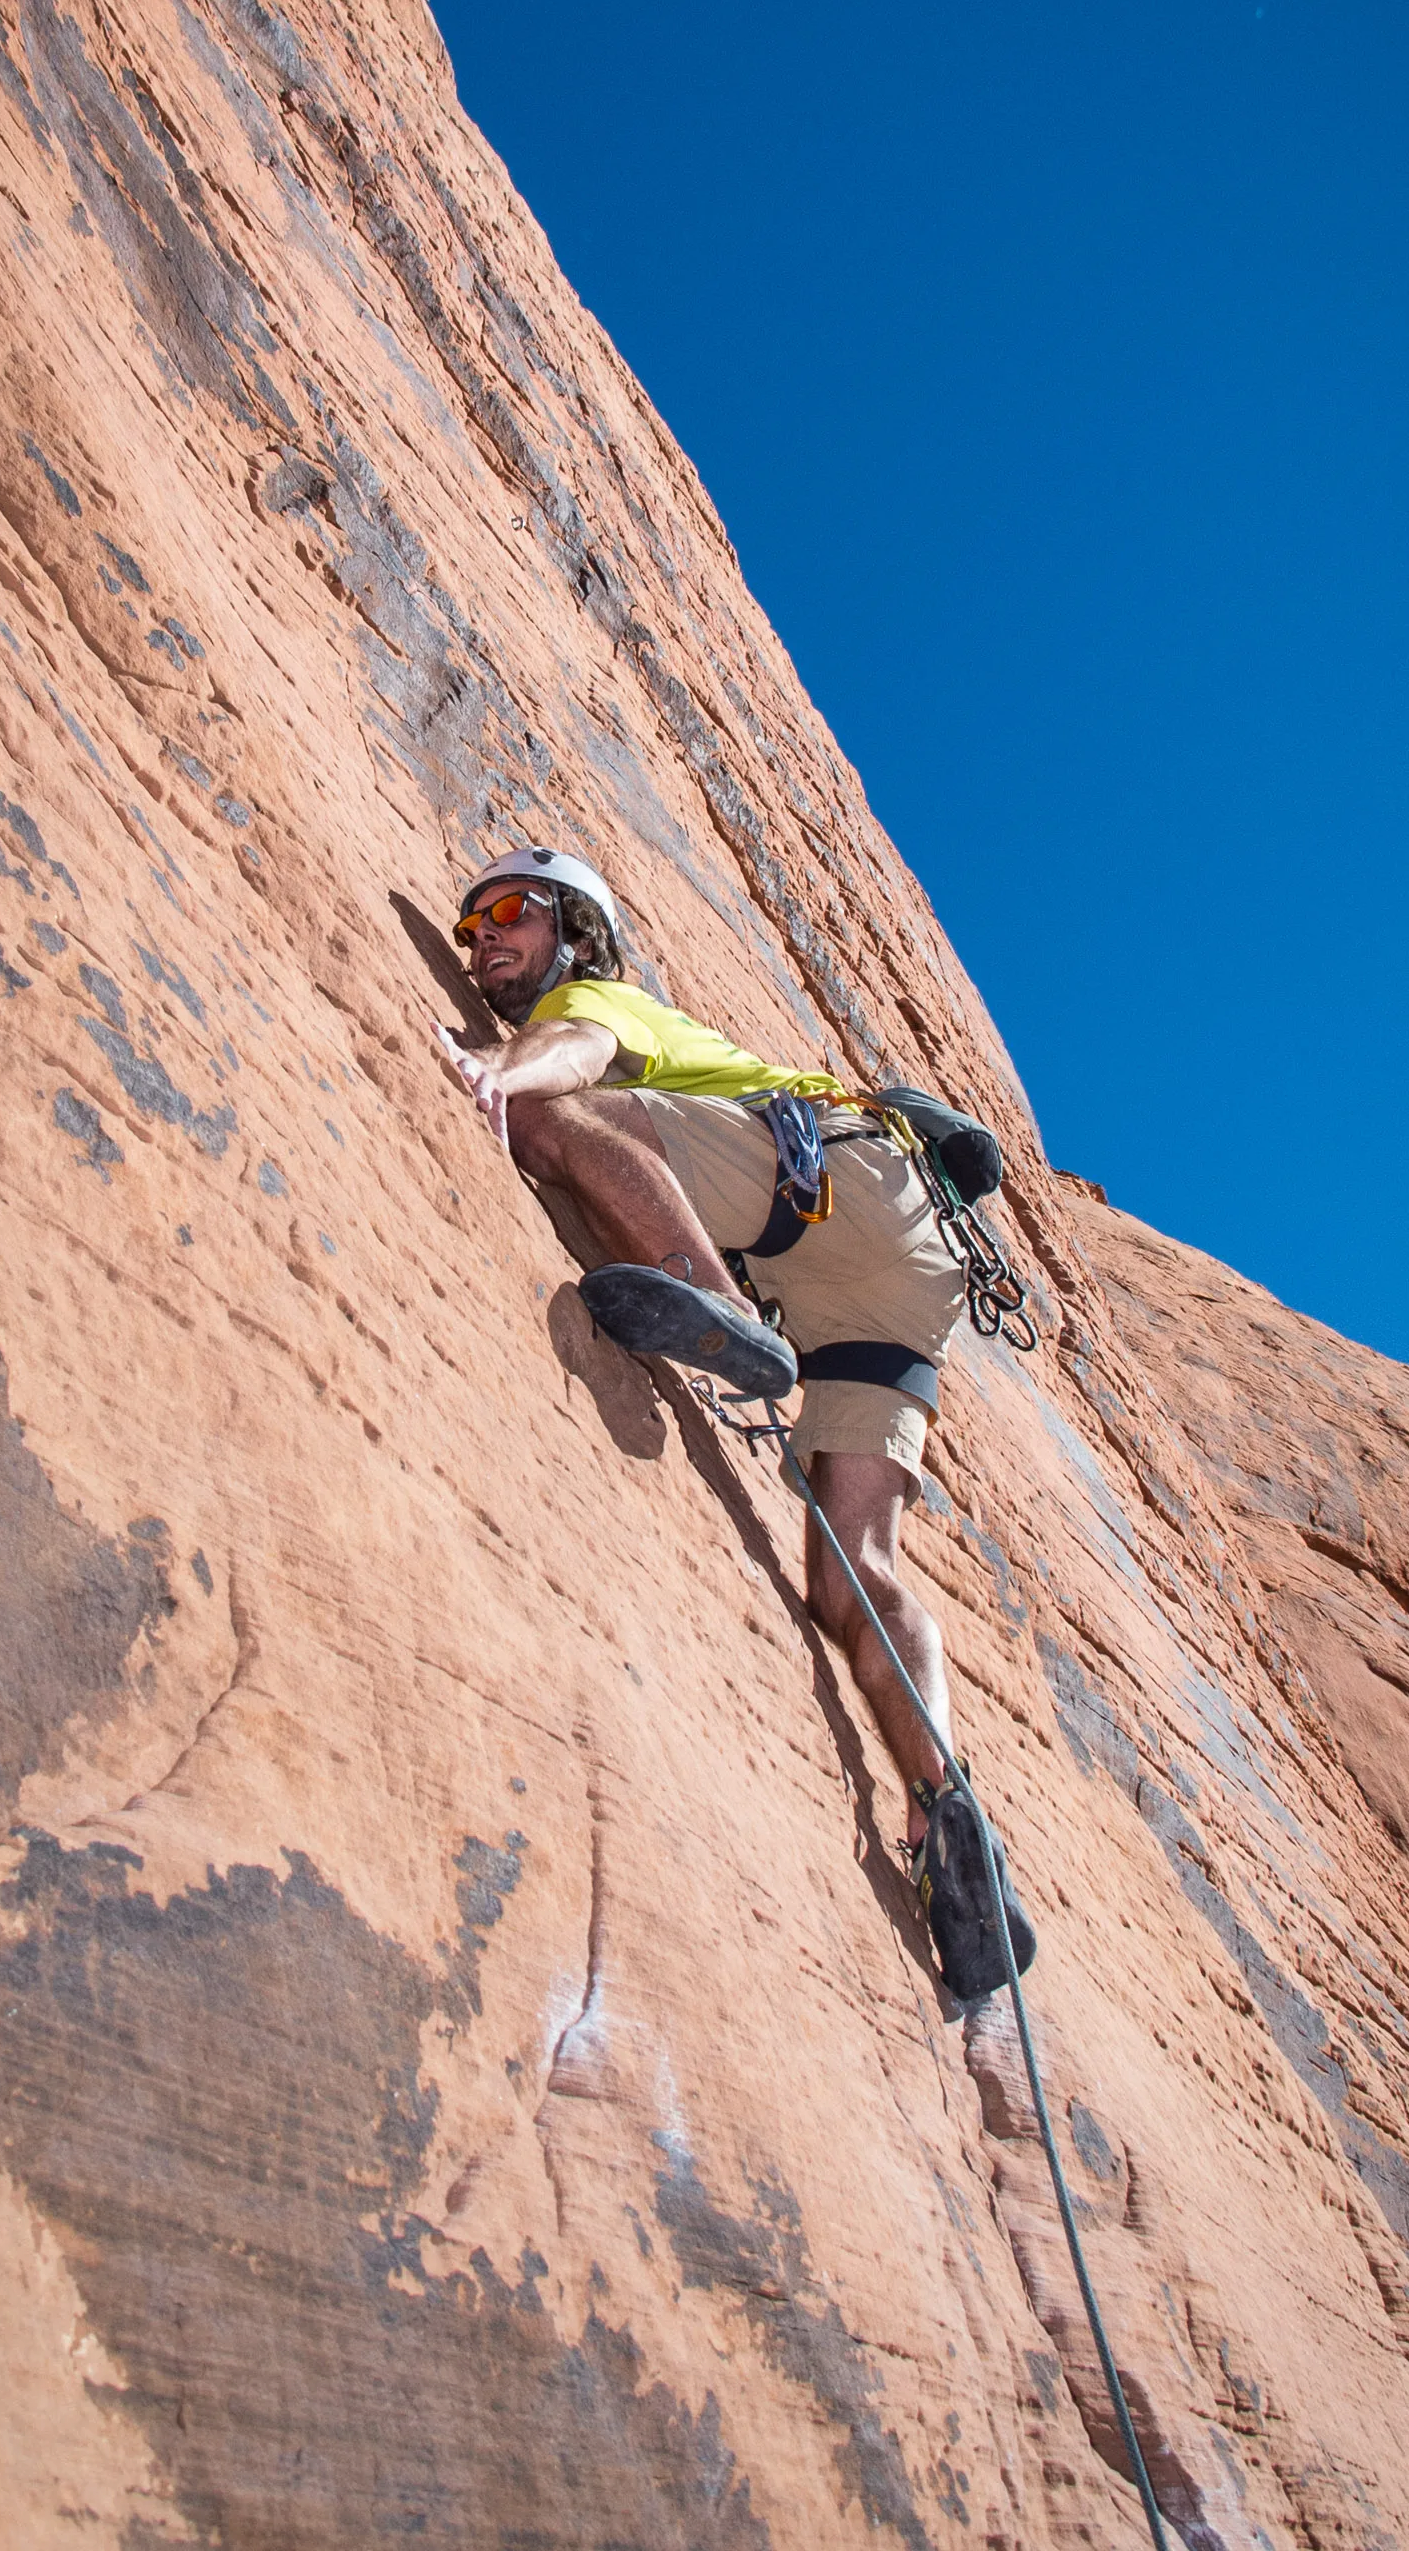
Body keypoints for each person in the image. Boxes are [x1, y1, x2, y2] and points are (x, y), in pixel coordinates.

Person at [433, 844, 1034, 2001]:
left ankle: (711, 1307)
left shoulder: (598, 997)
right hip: (896, 1277)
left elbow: (578, 1055)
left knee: (556, 1119)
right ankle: (942, 1805)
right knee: (852, 1569)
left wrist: (500, 1074)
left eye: (508, 912)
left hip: (825, 1182)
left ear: (576, 929)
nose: (484, 938)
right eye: (471, 930)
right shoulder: (585, 984)